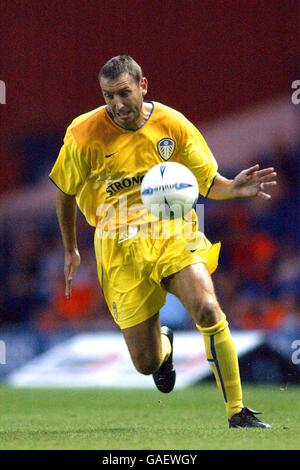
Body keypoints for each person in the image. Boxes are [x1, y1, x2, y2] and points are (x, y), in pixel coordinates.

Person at [49, 55, 276, 428]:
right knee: (145, 363)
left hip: (172, 230)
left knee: (206, 308)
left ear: (143, 86)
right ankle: (164, 347)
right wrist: (71, 248)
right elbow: (64, 191)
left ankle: (238, 412)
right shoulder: (83, 134)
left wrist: (234, 187)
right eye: (108, 96)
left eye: (124, 93)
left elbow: (208, 181)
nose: (117, 105)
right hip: (117, 244)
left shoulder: (173, 124)